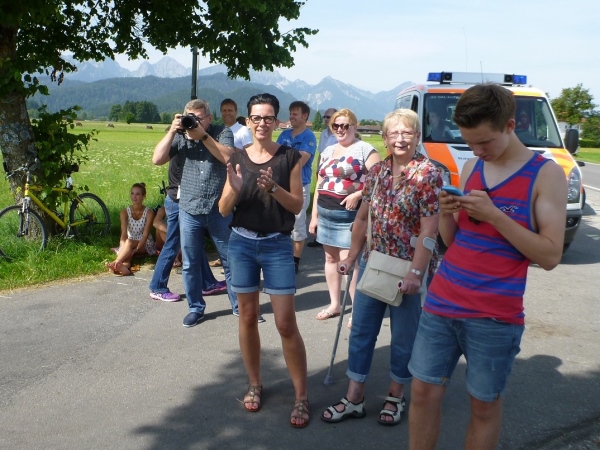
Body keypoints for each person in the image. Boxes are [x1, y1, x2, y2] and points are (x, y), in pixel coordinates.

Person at [408, 83, 567, 450]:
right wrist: (446, 214)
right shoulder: (471, 167)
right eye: (469, 143)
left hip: (494, 315)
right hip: (443, 302)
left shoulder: (546, 174)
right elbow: (454, 242)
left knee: (483, 406)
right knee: (422, 393)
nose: (477, 151)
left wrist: (495, 215)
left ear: (510, 126)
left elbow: (549, 256)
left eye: (484, 142)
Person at [320, 109, 442, 427]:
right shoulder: (377, 172)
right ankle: (355, 397)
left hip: (409, 269)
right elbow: (362, 218)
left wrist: (416, 273)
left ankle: (395, 395)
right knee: (362, 331)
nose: (400, 138)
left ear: (417, 137)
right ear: (385, 138)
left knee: (403, 336)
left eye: (407, 132)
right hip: (374, 262)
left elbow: (429, 230)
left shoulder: (428, 173)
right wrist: (351, 257)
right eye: (394, 133)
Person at [218, 93, 309, 428]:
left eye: (268, 118)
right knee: (247, 317)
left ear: (276, 121)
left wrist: (273, 189)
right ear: (248, 121)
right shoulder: (237, 158)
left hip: (277, 245)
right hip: (242, 244)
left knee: (285, 323)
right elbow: (223, 210)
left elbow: (296, 206)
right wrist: (234, 187)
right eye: (256, 118)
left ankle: (301, 396)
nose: (262, 123)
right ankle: (255, 384)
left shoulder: (289, 157)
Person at [151, 99, 238, 327]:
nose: (194, 122)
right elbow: (157, 159)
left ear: (209, 118)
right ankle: (195, 308)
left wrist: (203, 136)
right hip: (189, 208)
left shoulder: (221, 132)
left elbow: (228, 157)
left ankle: (239, 306)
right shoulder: (181, 135)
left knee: (230, 260)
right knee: (190, 264)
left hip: (218, 208)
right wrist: (172, 130)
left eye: (199, 118)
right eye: (190, 117)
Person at [308, 109, 381, 325]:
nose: (340, 129)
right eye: (336, 126)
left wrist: (358, 194)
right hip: (326, 213)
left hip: (351, 216)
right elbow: (320, 184)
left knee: (349, 262)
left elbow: (380, 180)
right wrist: (314, 216)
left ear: (354, 126)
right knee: (330, 259)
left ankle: (357, 310)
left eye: (345, 125)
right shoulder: (328, 150)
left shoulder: (365, 149)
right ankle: (335, 304)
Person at [276, 101, 317, 273]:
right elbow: (274, 156)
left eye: (295, 114)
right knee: (279, 222)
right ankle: (281, 256)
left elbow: (300, 161)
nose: (291, 117)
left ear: (305, 116)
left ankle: (295, 261)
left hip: (300, 187)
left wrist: (283, 156)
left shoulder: (309, 137)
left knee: (297, 225)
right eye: (290, 113)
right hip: (281, 186)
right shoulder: (284, 135)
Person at [153, 206, 226, 296]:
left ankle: (207, 283)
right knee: (172, 244)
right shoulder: (164, 209)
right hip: (180, 203)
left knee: (196, 243)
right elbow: (156, 223)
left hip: (187, 204)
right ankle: (158, 288)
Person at [106, 183, 157, 276]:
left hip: (144, 243)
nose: (134, 196)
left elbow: (145, 235)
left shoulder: (149, 213)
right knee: (128, 250)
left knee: (129, 244)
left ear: (143, 196)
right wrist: (122, 248)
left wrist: (136, 249)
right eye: (132, 193)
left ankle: (115, 262)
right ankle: (124, 267)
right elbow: (124, 234)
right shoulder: (124, 212)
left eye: (138, 194)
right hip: (129, 242)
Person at [307, 107, 338, 248]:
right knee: (320, 202)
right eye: (325, 117)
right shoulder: (324, 134)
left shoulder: (339, 134)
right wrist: (318, 169)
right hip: (323, 172)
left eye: (328, 117)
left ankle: (332, 236)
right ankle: (319, 236)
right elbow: (321, 153)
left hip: (335, 173)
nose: (325, 119)